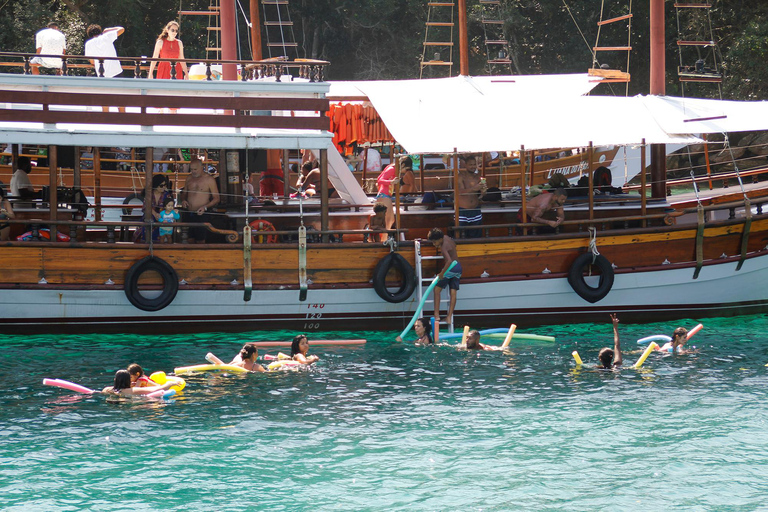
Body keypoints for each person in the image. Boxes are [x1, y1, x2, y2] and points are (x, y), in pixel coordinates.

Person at [179, 158, 220, 243]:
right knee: (189, 239)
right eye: (191, 169)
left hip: (202, 214)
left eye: (195, 169)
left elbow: (217, 198)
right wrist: (183, 200)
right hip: (189, 213)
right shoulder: (189, 178)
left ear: (201, 168)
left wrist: (205, 207)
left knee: (201, 240)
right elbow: (184, 193)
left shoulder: (209, 179)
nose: (193, 171)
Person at [428, 228, 462, 326]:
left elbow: (449, 261)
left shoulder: (443, 247)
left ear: (439, 239)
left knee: (436, 290)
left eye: (435, 242)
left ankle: (436, 315)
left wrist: (442, 273)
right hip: (459, 267)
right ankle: (449, 317)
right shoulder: (447, 238)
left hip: (451, 268)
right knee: (453, 292)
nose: (434, 244)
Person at [375, 155, 412, 229]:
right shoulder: (392, 169)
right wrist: (391, 182)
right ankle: (384, 239)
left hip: (385, 195)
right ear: (403, 165)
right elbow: (380, 180)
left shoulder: (392, 167)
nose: (405, 171)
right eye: (406, 169)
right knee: (388, 220)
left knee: (390, 220)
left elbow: (379, 178)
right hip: (384, 195)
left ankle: (384, 238)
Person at [456, 156, 487, 238]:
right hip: (462, 211)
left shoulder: (478, 177)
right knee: (460, 236)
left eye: (474, 164)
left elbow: (482, 194)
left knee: (477, 236)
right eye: (470, 164)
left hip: (475, 210)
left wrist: (483, 192)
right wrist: (474, 188)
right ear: (465, 165)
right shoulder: (460, 176)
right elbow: (460, 192)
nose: (473, 166)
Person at [101, 369, 177, 396]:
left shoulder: (106, 389)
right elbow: (156, 390)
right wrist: (169, 384)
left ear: (115, 379)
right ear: (129, 380)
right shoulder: (132, 390)